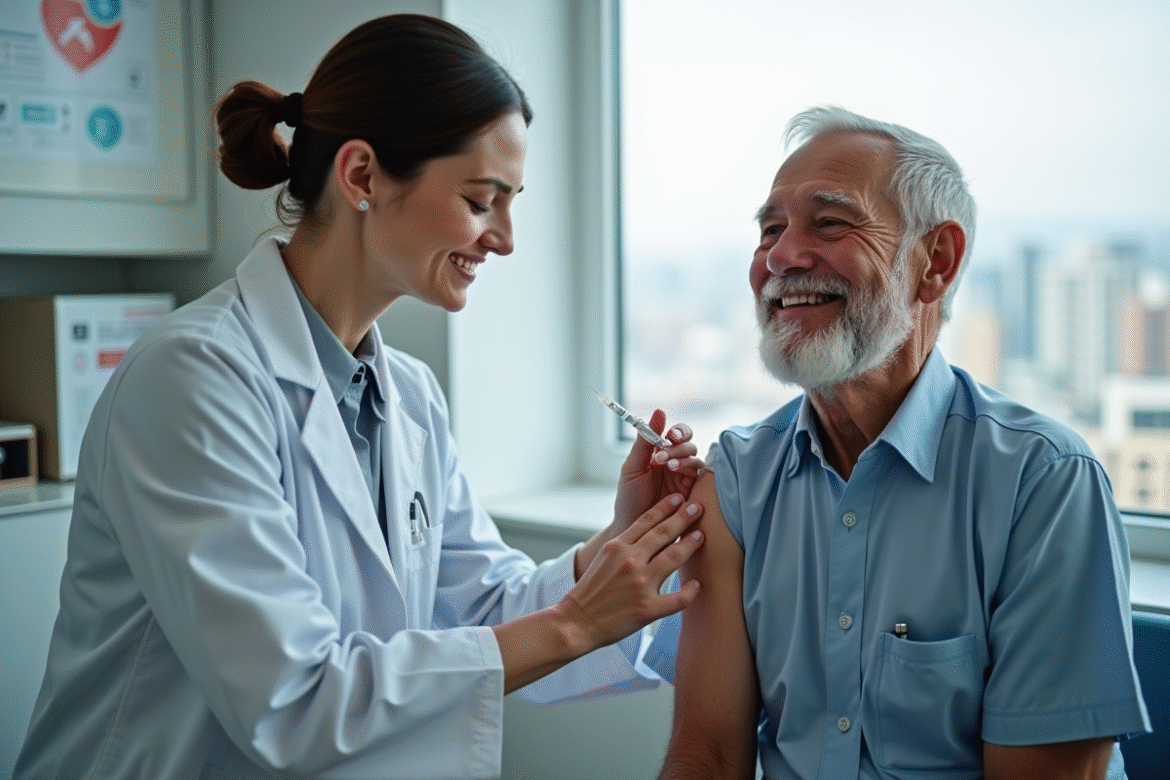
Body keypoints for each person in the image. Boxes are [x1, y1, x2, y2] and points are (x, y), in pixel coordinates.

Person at [14, 14, 707, 780]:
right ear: (363, 176)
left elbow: (477, 609)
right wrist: (575, 624)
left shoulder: (408, 395)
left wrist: (617, 549)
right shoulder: (192, 379)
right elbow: (292, 700)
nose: (506, 238)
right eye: (482, 200)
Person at [646, 106, 1151, 780]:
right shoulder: (735, 479)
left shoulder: (1043, 481)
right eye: (770, 230)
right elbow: (705, 756)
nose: (781, 256)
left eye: (830, 222)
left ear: (935, 262)